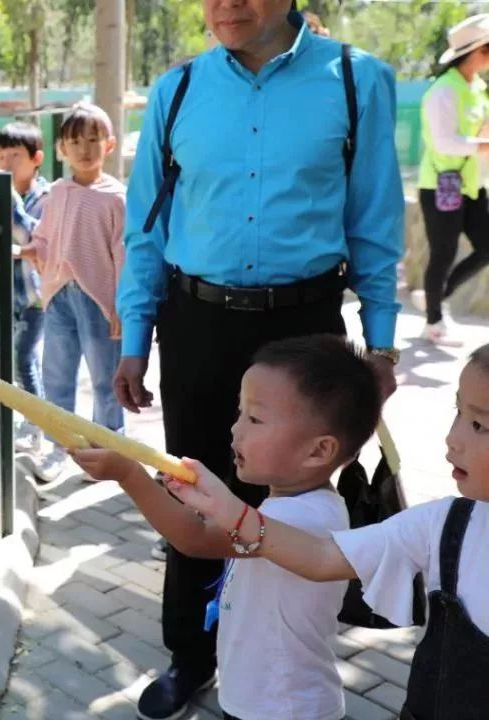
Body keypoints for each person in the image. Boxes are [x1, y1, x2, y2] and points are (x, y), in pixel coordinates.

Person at [112, 2, 404, 718]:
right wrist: (133, 337)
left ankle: (281, 662)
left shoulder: (354, 81)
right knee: (193, 484)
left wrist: (383, 341)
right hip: (197, 324)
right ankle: (191, 652)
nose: (227, 5)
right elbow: (144, 228)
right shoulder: (176, 89)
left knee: (295, 497)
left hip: (306, 326)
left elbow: (375, 220)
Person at [165, 342, 489, 720]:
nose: (453, 438)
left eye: (480, 424)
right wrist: (227, 508)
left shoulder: (311, 509)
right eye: (458, 413)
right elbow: (321, 557)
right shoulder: (444, 523)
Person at [74, 335, 382, 720]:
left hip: (281, 709)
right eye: (240, 413)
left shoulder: (302, 519)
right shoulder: (293, 505)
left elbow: (196, 538)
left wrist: (128, 474)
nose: (235, 430)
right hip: (261, 700)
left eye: (254, 419)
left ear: (318, 451)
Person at [20, 103, 126, 483]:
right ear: (62, 148)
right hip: (59, 297)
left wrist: (120, 304)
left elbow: (121, 253)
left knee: (106, 379)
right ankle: (57, 449)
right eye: (75, 141)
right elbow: (46, 239)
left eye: (93, 140)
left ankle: (109, 451)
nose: (85, 148)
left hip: (101, 300)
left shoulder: (116, 197)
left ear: (109, 145)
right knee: (58, 376)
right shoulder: (57, 192)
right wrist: (33, 251)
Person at [412, 14, 489, 347]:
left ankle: (435, 296)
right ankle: (433, 321)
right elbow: (444, 142)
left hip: (471, 184)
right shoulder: (442, 92)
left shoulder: (479, 88)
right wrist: (482, 143)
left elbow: (476, 135)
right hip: (441, 185)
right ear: (473, 52)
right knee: (442, 253)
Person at [0, 122, 51, 455]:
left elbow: (31, 238)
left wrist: (10, 202)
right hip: (12, 297)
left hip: (35, 297)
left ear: (36, 158)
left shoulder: (46, 198)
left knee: (23, 359)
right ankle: (36, 420)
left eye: (15, 155)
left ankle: (35, 427)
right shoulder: (1, 195)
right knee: (25, 361)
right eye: (1, 156)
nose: (6, 163)